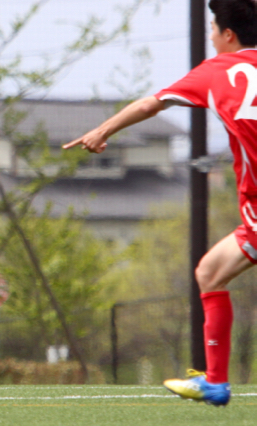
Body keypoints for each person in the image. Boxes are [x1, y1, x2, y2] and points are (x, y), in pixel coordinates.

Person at [63, 0, 257, 407]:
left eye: (212, 27)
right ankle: (216, 383)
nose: (209, 34)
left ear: (228, 35)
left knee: (209, 273)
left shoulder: (216, 71)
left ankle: (217, 382)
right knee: (209, 272)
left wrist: (102, 130)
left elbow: (153, 103)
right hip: (252, 215)